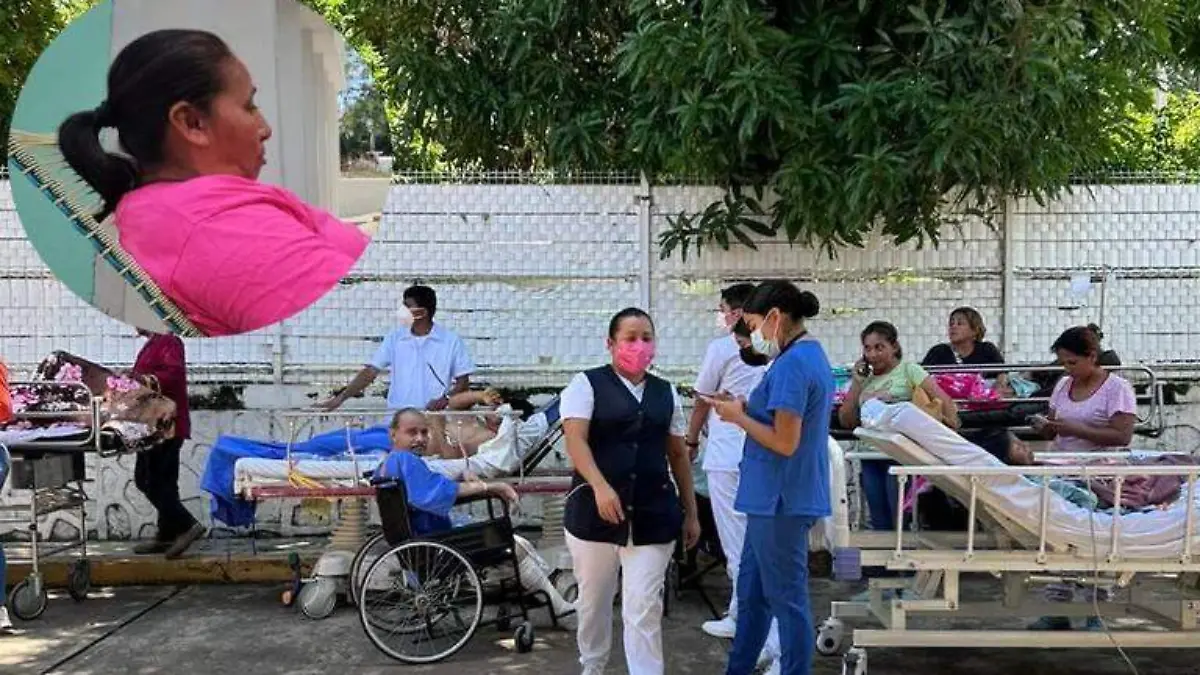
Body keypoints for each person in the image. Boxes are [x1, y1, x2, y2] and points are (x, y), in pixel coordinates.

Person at [57, 29, 370, 337]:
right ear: (192, 123)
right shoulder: (217, 230)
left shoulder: (188, 210)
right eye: (249, 106)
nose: (265, 128)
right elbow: (355, 322)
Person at [560, 307, 700, 675]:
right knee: (593, 602)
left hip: (654, 515)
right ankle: (592, 665)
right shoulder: (585, 384)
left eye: (646, 338)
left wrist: (692, 512)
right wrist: (601, 487)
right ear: (611, 344)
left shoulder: (664, 391)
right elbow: (575, 440)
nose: (639, 345)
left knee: (643, 606)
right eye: (630, 338)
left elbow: (677, 455)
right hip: (594, 517)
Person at [705, 281, 834, 675]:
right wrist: (743, 406)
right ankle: (739, 668)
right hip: (768, 498)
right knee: (752, 595)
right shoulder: (801, 356)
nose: (754, 335)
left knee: (786, 600)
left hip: (781, 499)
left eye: (756, 323)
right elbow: (779, 417)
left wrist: (738, 417)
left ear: (775, 317)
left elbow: (784, 440)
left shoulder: (795, 364)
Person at [372, 408, 575, 620]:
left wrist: (464, 475)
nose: (420, 438)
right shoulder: (407, 461)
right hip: (437, 545)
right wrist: (490, 488)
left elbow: (433, 486)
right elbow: (435, 493)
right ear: (393, 434)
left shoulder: (388, 466)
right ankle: (561, 610)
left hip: (420, 542)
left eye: (424, 432)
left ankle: (549, 600)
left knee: (516, 544)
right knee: (513, 545)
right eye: (412, 432)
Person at [684, 284, 777, 658]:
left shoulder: (722, 348)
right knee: (760, 545)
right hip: (765, 450)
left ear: (738, 313)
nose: (720, 315)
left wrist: (690, 442)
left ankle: (754, 629)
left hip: (727, 454)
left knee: (739, 547)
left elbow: (702, 401)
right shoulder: (776, 352)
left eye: (723, 309)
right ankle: (742, 615)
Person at [1027, 326, 1138, 632]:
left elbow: (1122, 434)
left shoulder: (1117, 388)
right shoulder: (1064, 385)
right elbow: (1055, 424)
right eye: (1063, 363)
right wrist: (1046, 427)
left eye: (1073, 362)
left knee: (1094, 541)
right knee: (1057, 539)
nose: (1067, 369)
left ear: (1092, 356)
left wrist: (1072, 429)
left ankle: (1095, 609)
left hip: (1099, 474)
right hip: (1063, 470)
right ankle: (1056, 608)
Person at [838, 321, 960, 533]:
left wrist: (950, 440)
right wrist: (857, 383)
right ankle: (881, 566)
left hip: (900, 455)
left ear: (894, 346)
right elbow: (846, 420)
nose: (873, 354)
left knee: (899, 520)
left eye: (879, 347)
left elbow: (944, 402)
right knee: (878, 520)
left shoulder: (909, 371)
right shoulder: (863, 379)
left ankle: (904, 566)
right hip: (869, 456)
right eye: (867, 348)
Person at [319, 285, 474, 412]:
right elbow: (370, 372)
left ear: (423, 312)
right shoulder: (396, 338)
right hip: (397, 419)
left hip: (433, 420)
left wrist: (445, 400)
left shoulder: (450, 341)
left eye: (408, 306)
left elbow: (463, 383)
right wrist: (340, 398)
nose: (402, 311)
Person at [129, 329, 204, 559]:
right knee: (164, 482)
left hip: (166, 424)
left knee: (148, 480)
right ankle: (167, 534)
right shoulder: (154, 343)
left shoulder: (169, 341)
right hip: (152, 423)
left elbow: (173, 374)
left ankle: (187, 524)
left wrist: (141, 380)